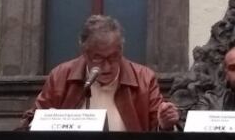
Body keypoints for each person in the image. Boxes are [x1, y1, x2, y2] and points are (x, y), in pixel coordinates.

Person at [20, 15, 179, 131]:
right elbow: (29, 125)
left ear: (121, 50)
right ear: (84, 52)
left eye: (113, 57)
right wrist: (44, 122)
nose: (107, 67)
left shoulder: (144, 78)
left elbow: (157, 135)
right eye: (98, 58)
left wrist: (164, 125)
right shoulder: (61, 76)